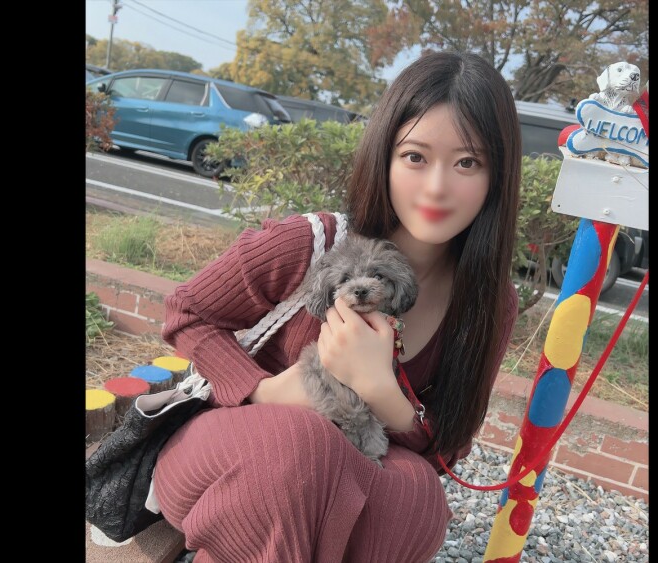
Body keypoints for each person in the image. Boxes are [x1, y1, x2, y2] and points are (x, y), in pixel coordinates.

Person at [154, 50, 521, 562]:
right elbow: (187, 311)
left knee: (416, 498)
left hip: (348, 460)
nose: (437, 187)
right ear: (384, 155)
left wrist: (380, 389)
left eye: (467, 162)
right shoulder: (310, 244)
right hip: (228, 451)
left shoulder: (487, 304)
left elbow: (446, 449)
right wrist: (266, 389)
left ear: (497, 175)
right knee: (304, 447)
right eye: (415, 157)